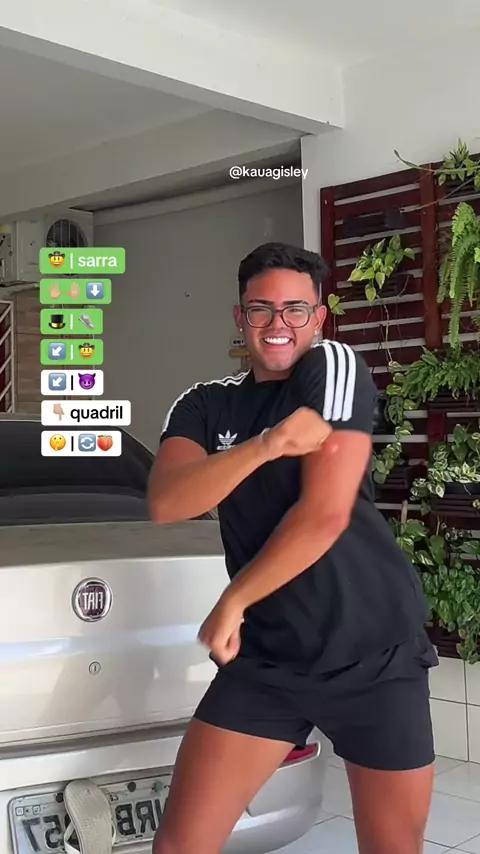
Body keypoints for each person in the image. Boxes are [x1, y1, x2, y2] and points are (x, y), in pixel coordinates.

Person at [147, 242, 438, 854]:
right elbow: (169, 501)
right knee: (180, 845)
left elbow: (325, 515)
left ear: (319, 317)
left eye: (295, 309)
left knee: (392, 847)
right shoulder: (205, 404)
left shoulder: (331, 367)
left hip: (373, 653)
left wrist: (234, 599)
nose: (278, 323)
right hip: (270, 659)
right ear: (240, 317)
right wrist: (265, 445)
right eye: (261, 309)